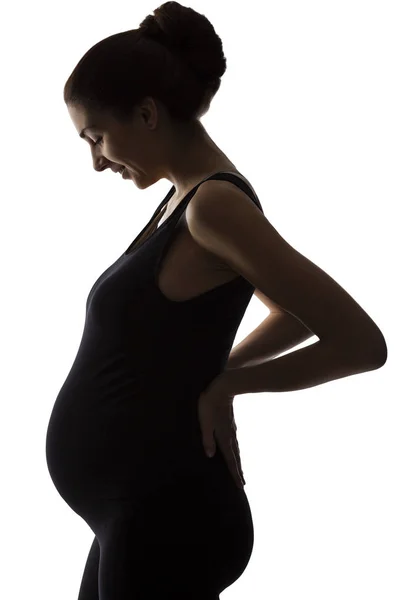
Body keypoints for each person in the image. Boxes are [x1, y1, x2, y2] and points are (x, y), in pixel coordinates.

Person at [46, 3, 387, 599]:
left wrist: (230, 384)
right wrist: (221, 369)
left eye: (97, 137)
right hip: (133, 513)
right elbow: (290, 314)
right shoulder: (180, 202)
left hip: (168, 514)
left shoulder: (214, 206)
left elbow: (361, 342)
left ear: (147, 113)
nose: (97, 161)